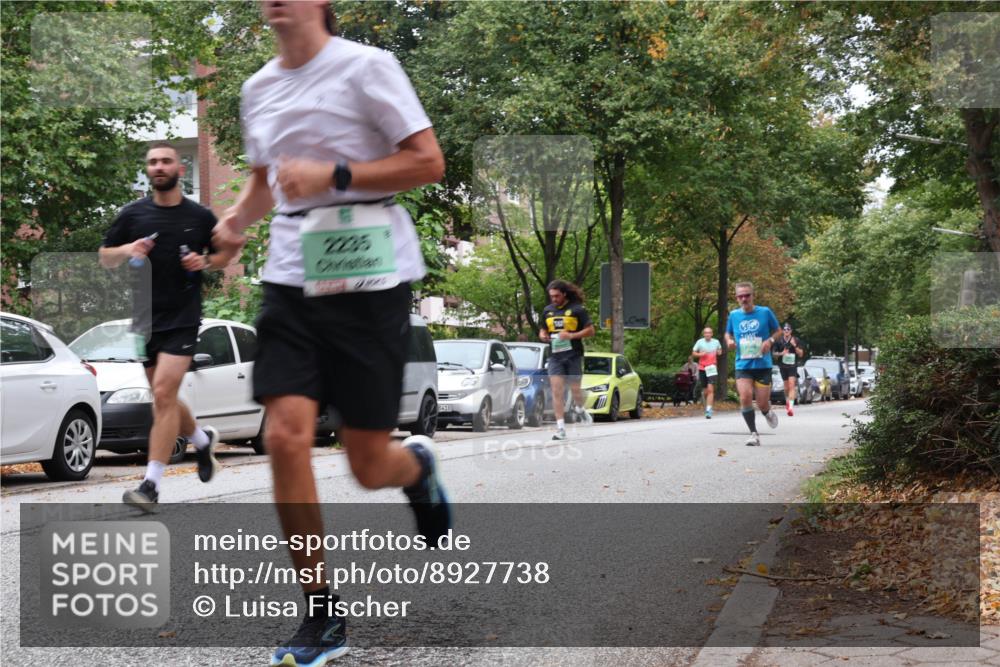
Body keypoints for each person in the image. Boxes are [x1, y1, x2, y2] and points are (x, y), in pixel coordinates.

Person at [211, 2, 449, 664]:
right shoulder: (257, 86)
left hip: (371, 276)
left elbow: (428, 161)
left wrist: (336, 175)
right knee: (285, 434)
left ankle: (415, 468)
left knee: (367, 463)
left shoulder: (369, 67)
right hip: (291, 278)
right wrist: (232, 227)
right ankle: (322, 612)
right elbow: (264, 183)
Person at [99, 142, 233, 510]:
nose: (158, 166)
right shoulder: (133, 215)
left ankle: (150, 485)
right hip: (145, 317)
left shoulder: (200, 217)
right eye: (153, 162)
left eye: (165, 161)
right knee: (166, 397)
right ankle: (203, 442)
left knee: (161, 394)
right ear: (148, 170)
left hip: (184, 318)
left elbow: (226, 254)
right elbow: (105, 258)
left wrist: (204, 262)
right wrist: (128, 251)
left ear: (180, 168)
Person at [724, 282, 782, 447]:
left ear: (752, 295)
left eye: (747, 295)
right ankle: (753, 434)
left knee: (762, 402)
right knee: (745, 397)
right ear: (736, 298)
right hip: (743, 365)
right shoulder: (734, 315)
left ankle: (766, 411)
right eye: (740, 296)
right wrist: (728, 341)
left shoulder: (765, 312)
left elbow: (778, 331)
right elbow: (727, 333)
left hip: (763, 364)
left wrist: (769, 341)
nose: (744, 299)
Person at [539, 280, 595, 440]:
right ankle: (561, 429)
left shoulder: (577, 309)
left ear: (564, 294)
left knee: (575, 390)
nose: (554, 299)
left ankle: (580, 409)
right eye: (551, 296)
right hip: (555, 357)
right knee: (557, 391)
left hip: (573, 355)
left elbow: (591, 331)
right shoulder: (547, 311)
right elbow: (543, 329)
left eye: (557, 296)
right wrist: (542, 335)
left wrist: (571, 335)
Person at [772, 323, 804, 416]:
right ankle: (787, 401)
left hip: (792, 366)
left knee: (791, 385)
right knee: (786, 388)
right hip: (783, 366)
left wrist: (794, 346)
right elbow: (774, 354)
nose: (786, 331)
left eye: (788, 329)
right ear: (782, 331)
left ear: (791, 331)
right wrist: (781, 353)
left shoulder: (796, 340)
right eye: (785, 329)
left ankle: (790, 408)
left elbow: (801, 354)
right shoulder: (778, 341)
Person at [692, 327, 722, 418]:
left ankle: (708, 410)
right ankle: (704, 397)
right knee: (705, 390)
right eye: (706, 333)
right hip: (702, 368)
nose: (707, 334)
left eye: (709, 333)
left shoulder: (716, 342)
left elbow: (720, 351)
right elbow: (693, 353)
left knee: (710, 390)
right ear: (703, 334)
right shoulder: (700, 342)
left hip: (712, 367)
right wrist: (700, 354)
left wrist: (718, 352)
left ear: (712, 334)